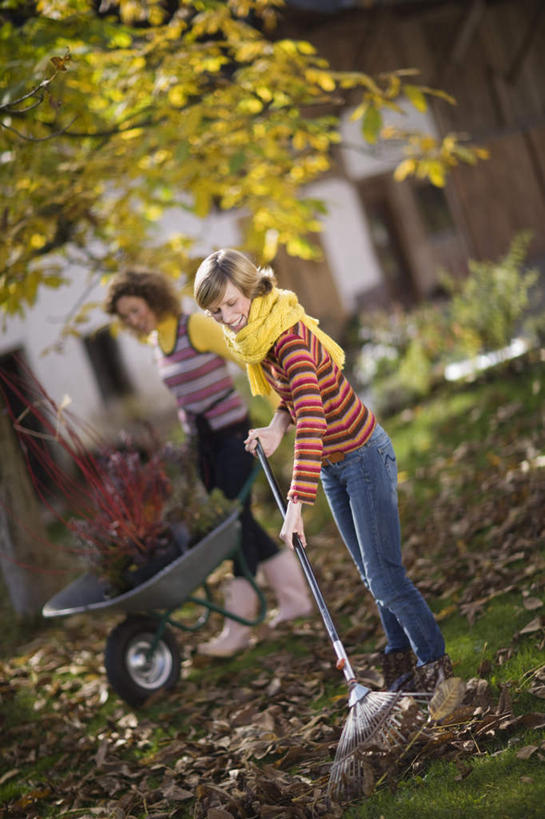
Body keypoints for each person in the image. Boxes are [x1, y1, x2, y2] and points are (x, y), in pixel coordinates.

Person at [193, 248, 453, 693]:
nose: (227, 318)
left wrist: (295, 503)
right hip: (335, 466)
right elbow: (295, 398)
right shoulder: (261, 334)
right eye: (216, 312)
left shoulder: (287, 338)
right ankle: (402, 668)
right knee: (373, 577)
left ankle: (439, 672)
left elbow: (313, 420)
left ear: (251, 288)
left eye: (231, 303)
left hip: (362, 455)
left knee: (386, 578)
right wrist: (276, 428)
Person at [104, 270, 312, 657]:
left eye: (135, 309)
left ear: (152, 298)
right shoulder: (157, 342)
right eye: (126, 316)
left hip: (234, 438)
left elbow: (251, 359)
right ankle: (295, 600)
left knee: (232, 524)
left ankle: (238, 629)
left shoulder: (195, 327)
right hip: (204, 447)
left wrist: (283, 413)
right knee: (240, 521)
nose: (133, 319)